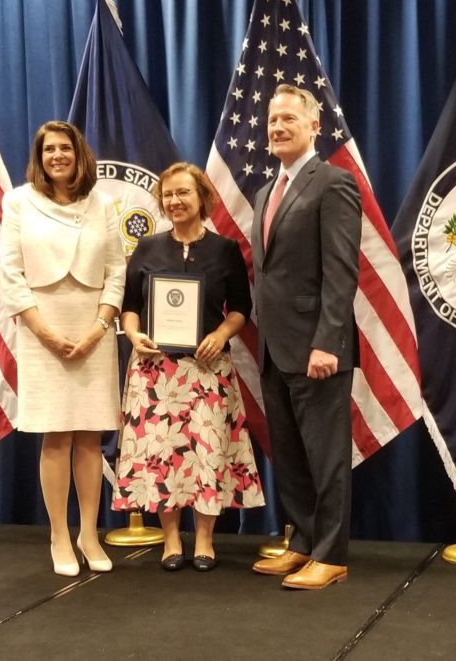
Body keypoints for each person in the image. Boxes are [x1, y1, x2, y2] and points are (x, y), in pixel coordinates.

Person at [113, 162, 264, 571]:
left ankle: (204, 540)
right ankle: (169, 541)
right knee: (163, 455)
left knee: (206, 453)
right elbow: (128, 308)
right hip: (155, 371)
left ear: (202, 198)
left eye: (183, 193)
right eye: (168, 195)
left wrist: (222, 333)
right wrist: (132, 335)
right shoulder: (146, 248)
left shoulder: (225, 250)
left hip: (207, 370)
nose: (175, 201)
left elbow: (241, 310)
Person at [0, 120, 125, 577]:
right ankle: (59, 534)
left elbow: (117, 271)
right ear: (40, 155)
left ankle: (89, 532)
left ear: (79, 154)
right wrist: (45, 332)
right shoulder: (18, 201)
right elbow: (10, 275)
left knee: (91, 437)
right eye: (49, 149)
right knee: (57, 436)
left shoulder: (103, 204)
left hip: (93, 328)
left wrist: (98, 327)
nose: (57, 156)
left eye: (64, 148)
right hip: (41, 329)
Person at [250, 84, 362, 590]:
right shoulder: (262, 193)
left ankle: (331, 553)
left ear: (314, 127)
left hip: (317, 349)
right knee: (291, 457)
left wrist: (328, 342)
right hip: (274, 349)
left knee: (327, 457)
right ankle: (302, 544)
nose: (277, 128)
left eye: (289, 120)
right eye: (273, 120)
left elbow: (341, 273)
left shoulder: (332, 184)